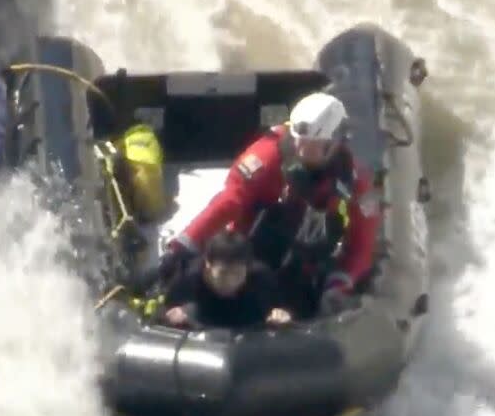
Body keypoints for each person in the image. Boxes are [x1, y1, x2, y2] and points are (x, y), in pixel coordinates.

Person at [160, 91, 382, 317]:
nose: (303, 150)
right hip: (247, 266)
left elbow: (362, 241)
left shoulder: (354, 178)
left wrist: (341, 283)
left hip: (302, 271)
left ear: (335, 142)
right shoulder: (266, 158)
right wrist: (183, 245)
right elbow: (230, 202)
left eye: (314, 145)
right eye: (299, 142)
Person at [161, 230, 292, 329]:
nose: (230, 282)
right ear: (208, 265)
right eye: (223, 273)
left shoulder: (262, 280)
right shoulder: (188, 279)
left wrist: (281, 317)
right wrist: (171, 318)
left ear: (248, 268)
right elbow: (161, 316)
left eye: (237, 274)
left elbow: (282, 313)